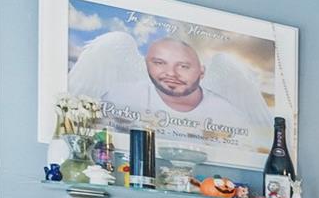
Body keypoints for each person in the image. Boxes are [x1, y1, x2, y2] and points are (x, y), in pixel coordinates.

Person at [99, 37, 260, 139]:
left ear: (202, 72)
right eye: (159, 63)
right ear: (146, 65)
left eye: (183, 66)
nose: (171, 73)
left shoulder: (231, 115)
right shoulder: (119, 96)